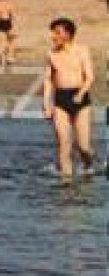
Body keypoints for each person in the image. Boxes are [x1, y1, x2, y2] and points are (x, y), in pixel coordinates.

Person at [43, 17, 95, 178]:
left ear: (68, 34)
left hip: (80, 98)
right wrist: (47, 104)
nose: (53, 36)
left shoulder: (82, 51)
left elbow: (90, 77)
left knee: (83, 147)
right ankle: (66, 183)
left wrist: (80, 94)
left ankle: (88, 163)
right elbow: (48, 81)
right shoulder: (51, 54)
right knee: (64, 145)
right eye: (53, 32)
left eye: (57, 32)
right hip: (60, 100)